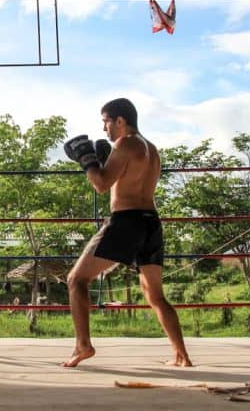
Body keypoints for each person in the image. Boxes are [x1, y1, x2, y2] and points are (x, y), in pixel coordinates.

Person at [61, 97, 192, 368]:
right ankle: (182, 355)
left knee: (76, 279)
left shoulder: (125, 143)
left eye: (106, 122)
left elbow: (101, 184)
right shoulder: (152, 149)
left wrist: (87, 161)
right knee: (155, 295)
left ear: (120, 121)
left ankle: (83, 345)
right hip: (150, 223)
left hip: (126, 221)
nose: (104, 129)